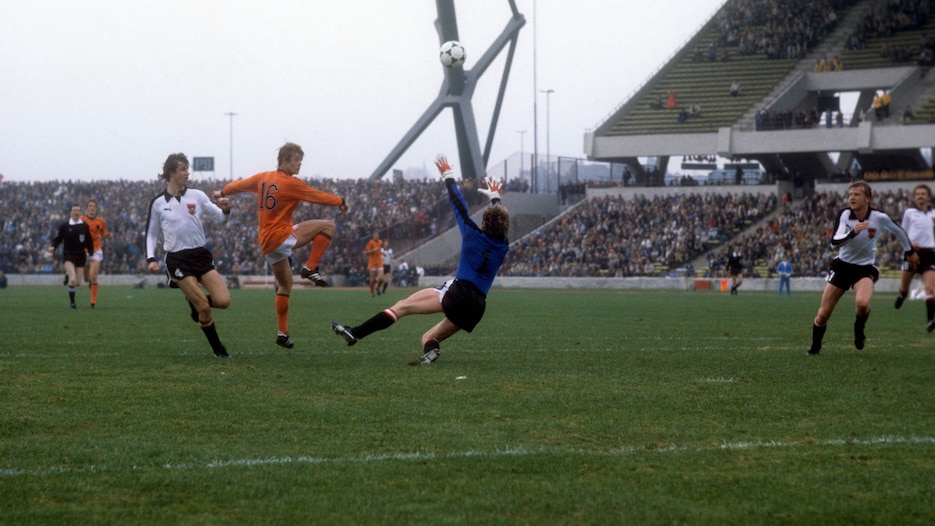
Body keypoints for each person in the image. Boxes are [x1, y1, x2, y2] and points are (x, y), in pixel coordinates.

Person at [331, 155, 510, 366]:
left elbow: (458, 204)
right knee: (429, 338)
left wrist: (448, 175)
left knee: (402, 307)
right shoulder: (503, 245)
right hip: (477, 306)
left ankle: (356, 333)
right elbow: (499, 223)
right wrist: (495, 199)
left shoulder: (473, 234)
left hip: (458, 293)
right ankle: (431, 353)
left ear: (484, 223)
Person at [216, 142, 349, 349]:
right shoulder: (290, 183)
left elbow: (239, 185)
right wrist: (340, 200)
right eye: (296, 161)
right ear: (284, 160)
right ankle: (311, 267)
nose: (299, 165)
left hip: (267, 244)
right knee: (329, 226)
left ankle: (283, 333)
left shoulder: (263, 178)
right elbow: (318, 196)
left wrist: (223, 191)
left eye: (300, 161)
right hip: (281, 235)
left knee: (285, 286)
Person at [807, 181, 918, 355]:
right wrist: (852, 233)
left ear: (867, 198)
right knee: (823, 314)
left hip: (864, 269)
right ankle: (815, 347)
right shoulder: (844, 215)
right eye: (851, 194)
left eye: (857, 194)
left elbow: (899, 231)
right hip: (842, 267)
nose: (852, 197)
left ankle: (859, 329)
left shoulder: (879, 218)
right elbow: (834, 242)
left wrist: (909, 251)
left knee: (863, 303)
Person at [146, 153, 232, 357]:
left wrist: (226, 211)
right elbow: (151, 232)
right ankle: (219, 350)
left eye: (187, 168)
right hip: (177, 259)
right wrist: (151, 259)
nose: (187, 173)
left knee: (223, 301)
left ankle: (194, 302)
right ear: (171, 173)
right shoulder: (158, 203)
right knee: (204, 305)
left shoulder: (198, 196)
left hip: (200, 255)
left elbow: (219, 220)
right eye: (183, 169)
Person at [894, 184, 935, 330]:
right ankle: (902, 295)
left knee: (930, 287)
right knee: (905, 287)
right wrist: (910, 246)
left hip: (929, 254)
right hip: (911, 253)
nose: (920, 196)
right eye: (917, 194)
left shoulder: (933, 214)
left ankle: (931, 320)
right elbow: (901, 233)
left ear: (928, 197)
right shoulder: (909, 213)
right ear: (914, 197)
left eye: (923, 194)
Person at [46, 204, 94, 308]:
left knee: (77, 283)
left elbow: (89, 241)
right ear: (70, 213)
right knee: (72, 280)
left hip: (81, 255)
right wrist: (53, 247)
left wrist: (91, 253)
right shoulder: (65, 226)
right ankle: (72, 303)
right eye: (74, 210)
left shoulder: (84, 226)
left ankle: (68, 275)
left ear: (80, 212)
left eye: (78, 210)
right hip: (68, 254)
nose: (76, 212)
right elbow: (58, 238)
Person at [81, 198, 112, 308]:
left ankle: (93, 301)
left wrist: (108, 235)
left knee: (93, 276)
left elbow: (103, 233)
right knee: (86, 278)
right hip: (84, 250)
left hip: (96, 250)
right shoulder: (82, 220)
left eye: (94, 206)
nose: (92, 208)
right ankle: (91, 284)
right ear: (86, 208)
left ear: (96, 208)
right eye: (90, 206)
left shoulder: (100, 221)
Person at [364, 231, 384, 297]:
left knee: (381, 278)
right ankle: (372, 293)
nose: (376, 235)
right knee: (372, 279)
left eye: (377, 234)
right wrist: (373, 250)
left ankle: (377, 287)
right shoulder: (371, 242)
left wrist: (383, 253)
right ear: (373, 235)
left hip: (379, 262)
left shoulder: (380, 242)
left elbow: (379, 250)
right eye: (375, 234)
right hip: (372, 262)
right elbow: (366, 252)